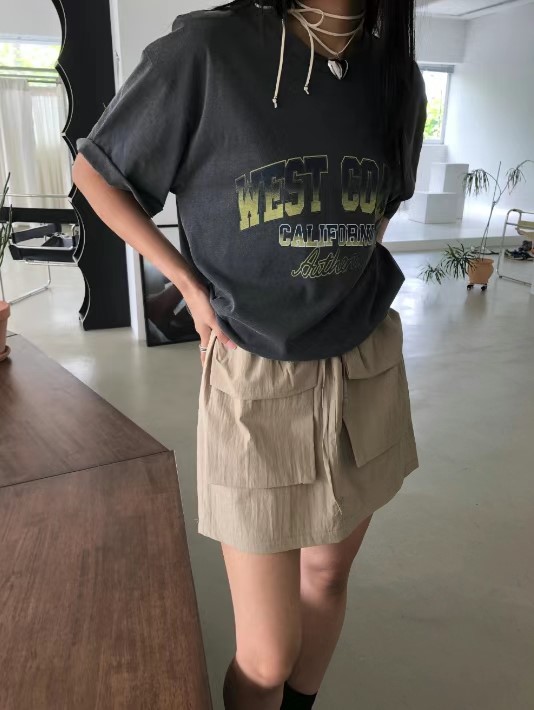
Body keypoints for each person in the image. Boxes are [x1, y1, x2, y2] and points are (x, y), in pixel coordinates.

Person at [72, 0, 427, 707]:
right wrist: (187, 285)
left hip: (365, 366)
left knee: (327, 578)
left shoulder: (396, 75)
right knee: (266, 655)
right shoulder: (210, 51)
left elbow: (382, 208)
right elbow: (96, 174)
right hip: (256, 371)